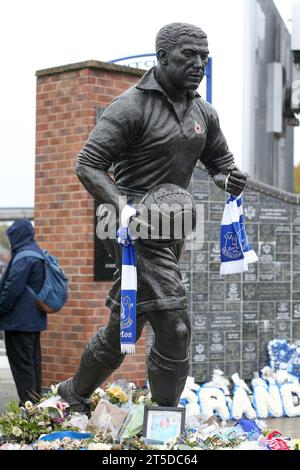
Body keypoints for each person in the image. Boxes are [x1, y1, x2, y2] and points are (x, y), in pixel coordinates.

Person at [58, 22, 247, 412]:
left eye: (204, 57)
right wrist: (124, 207)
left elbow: (220, 163)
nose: (199, 64)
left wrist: (229, 178)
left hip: (172, 231)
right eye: (188, 56)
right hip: (132, 230)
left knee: (122, 328)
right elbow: (89, 164)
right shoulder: (131, 106)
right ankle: (164, 424)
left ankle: (73, 393)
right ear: (162, 58)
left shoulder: (203, 113)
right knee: (175, 327)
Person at [0, 219, 46, 405]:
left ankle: (28, 411)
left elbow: (11, 289)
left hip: (19, 323)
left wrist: (1, 308)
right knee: (32, 366)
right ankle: (35, 407)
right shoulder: (36, 252)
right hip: (32, 321)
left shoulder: (24, 257)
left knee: (23, 368)